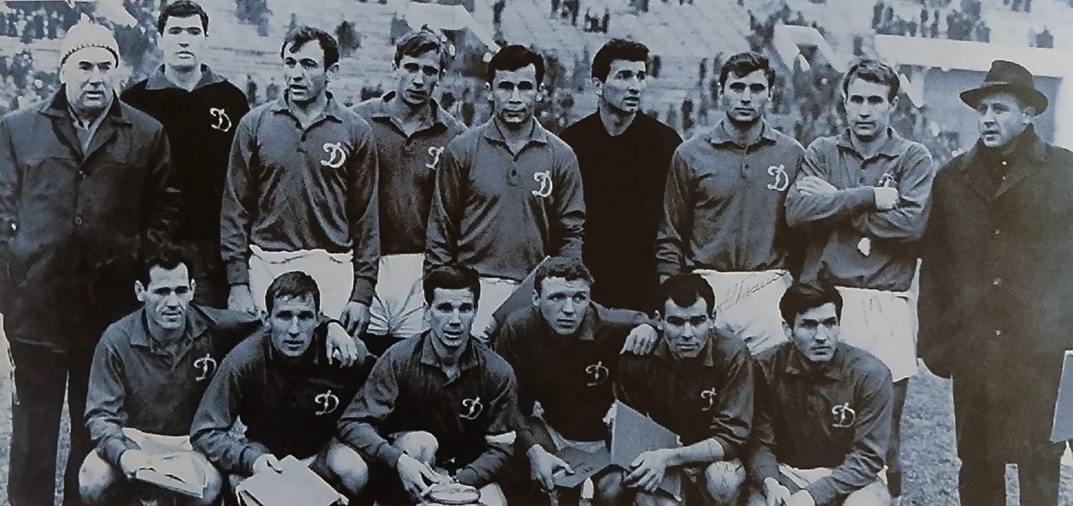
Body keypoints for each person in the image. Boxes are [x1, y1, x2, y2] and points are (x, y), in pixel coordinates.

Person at [0, 21, 180, 506]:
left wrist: (135, 258)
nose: (96, 77)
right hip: (35, 308)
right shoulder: (18, 129)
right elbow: (1, 211)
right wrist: (11, 277)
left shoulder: (146, 133)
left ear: (118, 71)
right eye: (84, 66)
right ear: (63, 71)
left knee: (95, 430)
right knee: (33, 433)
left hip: (108, 311)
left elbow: (166, 210)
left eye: (105, 66)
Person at [78, 244, 362, 504]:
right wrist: (123, 453)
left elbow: (280, 321)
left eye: (180, 290)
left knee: (210, 486)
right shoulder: (116, 340)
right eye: (162, 292)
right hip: (135, 441)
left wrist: (330, 325)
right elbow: (101, 415)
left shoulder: (215, 326)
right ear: (141, 291)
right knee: (93, 477)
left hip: (189, 443)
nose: (173, 302)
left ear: (192, 290)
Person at [919, 59, 1073, 506]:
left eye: (1000, 109)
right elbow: (936, 268)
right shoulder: (952, 179)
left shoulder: (1065, 173)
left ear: (1028, 113)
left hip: (1041, 357)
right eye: (982, 109)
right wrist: (937, 344)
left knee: (1039, 465)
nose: (987, 118)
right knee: (977, 465)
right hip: (976, 352)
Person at [785, 59, 934, 503]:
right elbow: (797, 212)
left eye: (875, 101)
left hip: (885, 302)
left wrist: (836, 204)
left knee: (885, 432)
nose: (865, 110)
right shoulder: (822, 151)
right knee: (820, 424)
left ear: (892, 105)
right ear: (844, 104)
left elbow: (911, 225)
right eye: (857, 100)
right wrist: (868, 198)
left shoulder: (912, 156)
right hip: (828, 303)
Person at [220, 26, 380, 333]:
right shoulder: (254, 124)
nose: (296, 74)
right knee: (267, 354)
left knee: (328, 356)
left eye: (308, 65)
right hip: (267, 261)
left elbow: (366, 217)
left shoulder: (355, 130)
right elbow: (235, 207)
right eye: (290, 63)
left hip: (332, 265)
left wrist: (362, 293)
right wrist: (237, 282)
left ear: (331, 71)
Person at [424, 45, 585, 339]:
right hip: (471, 289)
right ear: (489, 91)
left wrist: (559, 294)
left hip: (532, 291)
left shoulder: (561, 156)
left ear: (540, 91)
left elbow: (570, 236)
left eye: (525, 87)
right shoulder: (462, 149)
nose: (515, 98)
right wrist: (445, 295)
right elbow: (441, 230)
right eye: (506, 87)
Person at [655, 52, 804, 356]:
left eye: (756, 88)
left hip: (768, 285)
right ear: (720, 91)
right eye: (737, 87)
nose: (746, 97)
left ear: (770, 94)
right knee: (705, 378)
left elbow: (803, 235)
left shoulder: (792, 154)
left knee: (768, 379)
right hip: (707, 283)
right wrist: (672, 294)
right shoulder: (690, 154)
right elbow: (671, 233)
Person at [336, 266, 517, 506]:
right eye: (444, 308)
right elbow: (352, 422)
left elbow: (501, 448)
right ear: (427, 311)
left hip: (464, 475)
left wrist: (460, 480)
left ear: (475, 311)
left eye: (464, 309)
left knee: (495, 504)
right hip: (409, 469)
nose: (455, 320)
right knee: (421, 442)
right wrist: (398, 460)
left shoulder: (497, 371)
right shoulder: (399, 358)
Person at [190, 271, 375, 500]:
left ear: (318, 319)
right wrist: (250, 458)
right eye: (284, 316)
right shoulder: (244, 360)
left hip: (320, 454)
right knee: (237, 479)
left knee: (354, 468)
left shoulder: (343, 352)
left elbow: (379, 398)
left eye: (304, 317)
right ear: (267, 319)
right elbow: (205, 431)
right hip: (266, 457)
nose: (294, 330)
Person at [492, 257, 658, 505]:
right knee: (534, 474)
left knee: (611, 493)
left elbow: (660, 324)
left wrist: (650, 328)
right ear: (536, 298)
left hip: (602, 438)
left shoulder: (611, 325)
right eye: (557, 297)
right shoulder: (519, 328)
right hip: (550, 429)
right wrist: (532, 449)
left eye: (579, 298)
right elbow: (508, 402)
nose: (568, 309)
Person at [121, 0, 251, 309]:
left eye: (193, 32)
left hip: (215, 248)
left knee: (209, 330)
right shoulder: (135, 101)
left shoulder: (231, 99)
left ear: (205, 39)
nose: (184, 40)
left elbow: (244, 181)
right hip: (153, 246)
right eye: (175, 31)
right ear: (160, 38)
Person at [354, 26, 466, 347]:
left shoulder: (455, 135)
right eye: (411, 67)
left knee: (413, 359)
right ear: (395, 67)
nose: (418, 80)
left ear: (440, 76)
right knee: (361, 357)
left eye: (429, 71)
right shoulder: (358, 122)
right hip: (365, 260)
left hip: (422, 265)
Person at [603, 274, 754, 506]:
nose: (687, 334)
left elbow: (731, 437)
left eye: (697, 321)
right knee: (620, 490)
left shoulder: (733, 354)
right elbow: (628, 427)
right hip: (658, 452)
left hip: (712, 457)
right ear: (659, 320)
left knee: (723, 482)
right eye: (676, 322)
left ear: (712, 319)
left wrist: (670, 457)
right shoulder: (639, 355)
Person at [558, 39, 682, 312]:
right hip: (582, 288)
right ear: (598, 85)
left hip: (645, 290)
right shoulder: (571, 144)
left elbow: (674, 225)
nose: (635, 86)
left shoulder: (666, 144)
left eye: (640, 76)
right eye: (624, 76)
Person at [744, 282, 892, 506]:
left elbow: (867, 457)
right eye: (809, 325)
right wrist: (770, 482)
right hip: (786, 474)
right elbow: (760, 443)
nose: (821, 336)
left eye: (829, 324)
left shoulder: (870, 374)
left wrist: (812, 496)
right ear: (788, 329)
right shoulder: (763, 368)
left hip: (850, 477)